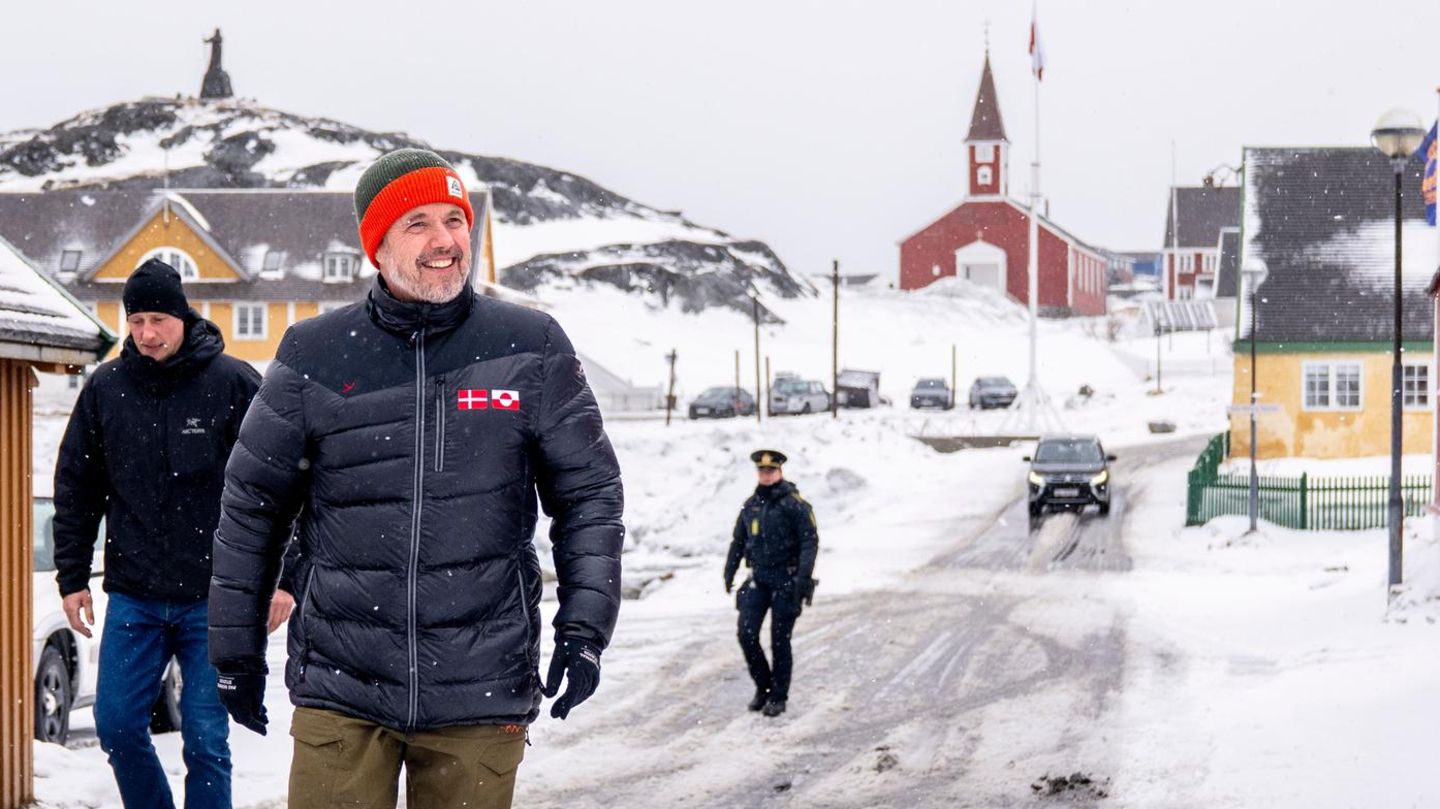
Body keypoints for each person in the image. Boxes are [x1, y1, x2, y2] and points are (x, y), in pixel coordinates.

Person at [207, 148, 624, 809]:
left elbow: (589, 498)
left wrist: (584, 631)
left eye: (455, 220)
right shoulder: (314, 353)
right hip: (342, 683)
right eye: (419, 223)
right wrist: (235, 652)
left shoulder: (530, 345)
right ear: (377, 244)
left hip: (480, 683)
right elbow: (253, 505)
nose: (444, 242)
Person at [52, 258, 294, 809]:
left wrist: (285, 578)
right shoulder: (106, 388)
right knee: (115, 725)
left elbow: (281, 485)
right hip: (135, 597)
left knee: (207, 738)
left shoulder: (233, 383)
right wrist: (71, 577)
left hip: (216, 599)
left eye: (157, 319)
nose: (147, 334)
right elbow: (76, 486)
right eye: (135, 322)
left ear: (183, 316)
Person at [723, 449, 819, 718]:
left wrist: (802, 578)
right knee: (746, 634)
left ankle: (778, 696)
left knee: (780, 640)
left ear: (779, 471)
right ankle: (763, 687)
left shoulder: (795, 504)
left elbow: (809, 542)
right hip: (759, 579)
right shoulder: (751, 505)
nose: (766, 474)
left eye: (771, 470)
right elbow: (738, 541)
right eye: (762, 471)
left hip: (786, 581)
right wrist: (729, 571)